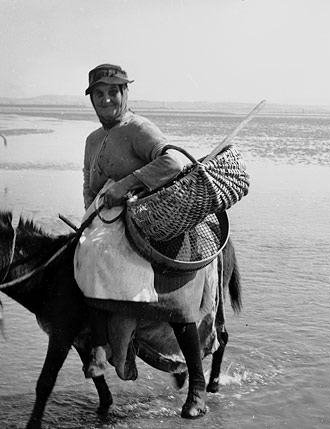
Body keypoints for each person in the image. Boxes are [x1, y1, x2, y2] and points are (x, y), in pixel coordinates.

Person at [81, 63, 208, 419]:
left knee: (173, 298)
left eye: (114, 91)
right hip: (106, 228)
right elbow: (88, 187)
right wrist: (88, 220)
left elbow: (172, 161)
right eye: (100, 93)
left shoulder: (137, 128)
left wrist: (124, 186)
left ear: (125, 93)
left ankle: (197, 386)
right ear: (92, 99)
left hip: (144, 225)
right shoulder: (92, 140)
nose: (107, 99)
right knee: (82, 260)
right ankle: (103, 352)